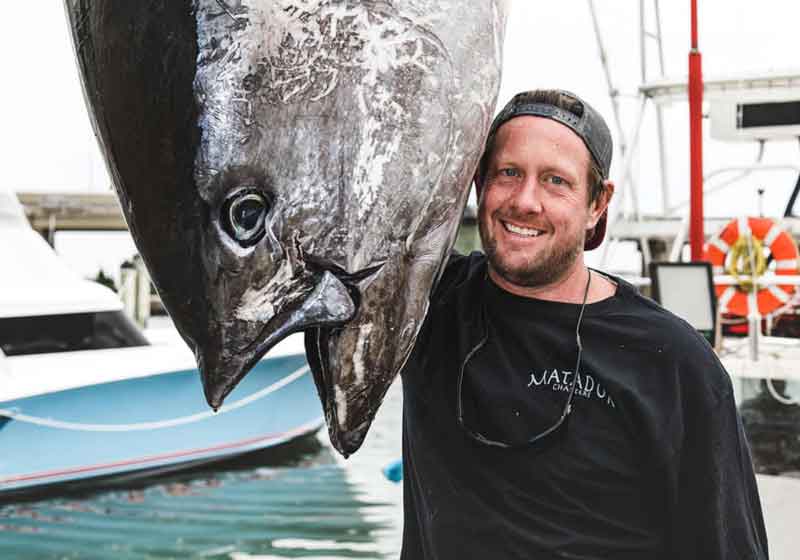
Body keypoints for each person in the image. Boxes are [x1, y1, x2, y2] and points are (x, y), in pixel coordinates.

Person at [399, 89, 768, 559]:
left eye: (556, 181)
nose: (526, 201)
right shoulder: (423, 303)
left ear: (598, 203)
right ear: (478, 185)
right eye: (509, 173)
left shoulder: (673, 362)